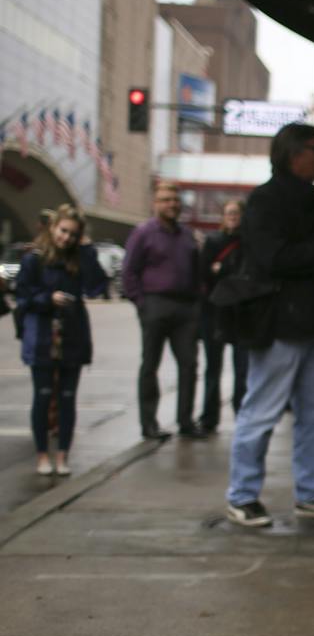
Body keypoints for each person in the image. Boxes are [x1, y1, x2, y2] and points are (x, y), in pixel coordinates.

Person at [224, 123, 314, 528]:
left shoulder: (310, 199)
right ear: (293, 154)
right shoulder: (266, 200)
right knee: (262, 410)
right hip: (281, 323)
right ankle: (243, 495)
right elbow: (270, 257)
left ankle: (312, 492)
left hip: (313, 323)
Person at [15, 205, 107, 475]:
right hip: (42, 337)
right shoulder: (34, 259)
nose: (66, 238)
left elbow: (96, 287)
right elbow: (23, 298)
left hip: (73, 336)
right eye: (63, 231)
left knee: (68, 398)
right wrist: (48, 298)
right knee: (42, 397)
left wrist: (88, 251)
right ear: (53, 228)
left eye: (72, 234)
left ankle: (63, 456)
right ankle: (42, 455)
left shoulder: (79, 259)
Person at [122, 182, 205, 441]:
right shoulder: (143, 233)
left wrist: (197, 302)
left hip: (186, 307)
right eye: (166, 199)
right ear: (155, 203)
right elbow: (129, 271)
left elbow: (197, 271)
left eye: (175, 200)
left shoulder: (187, 235)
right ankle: (149, 424)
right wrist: (141, 303)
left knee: (189, 365)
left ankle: (186, 421)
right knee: (150, 365)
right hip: (154, 304)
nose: (171, 204)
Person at [199, 198, 250, 432]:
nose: (232, 217)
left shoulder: (249, 244)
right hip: (216, 312)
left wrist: (222, 270)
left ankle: (241, 412)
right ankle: (210, 417)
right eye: (228, 213)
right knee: (213, 367)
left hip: (240, 313)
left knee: (243, 369)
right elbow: (203, 273)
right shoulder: (213, 241)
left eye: (236, 213)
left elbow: (247, 277)